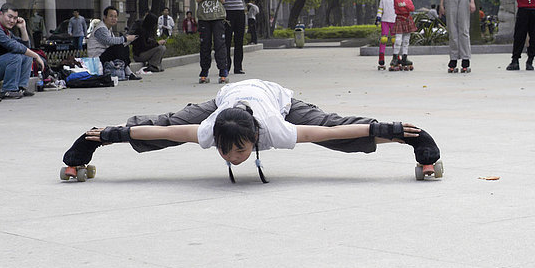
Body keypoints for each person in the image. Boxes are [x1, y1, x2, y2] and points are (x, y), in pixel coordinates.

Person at [61, 79, 442, 183]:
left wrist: (389, 130)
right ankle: (93, 140)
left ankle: (410, 140)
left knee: (337, 132)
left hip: (279, 100)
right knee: (167, 126)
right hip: (223, 102)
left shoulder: (275, 129)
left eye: (240, 152)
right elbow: (158, 134)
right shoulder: (212, 129)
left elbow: (327, 133)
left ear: (256, 140)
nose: (234, 159)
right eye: (227, 154)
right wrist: (111, 135)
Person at [0, 3, 45, 99]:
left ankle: (21, 88)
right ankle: (8, 90)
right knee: (15, 56)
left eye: (15, 18)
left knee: (27, 55)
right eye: (10, 17)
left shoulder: (7, 31)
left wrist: (23, 28)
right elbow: (15, 47)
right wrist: (36, 56)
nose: (12, 21)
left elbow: (25, 46)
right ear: (0, 14)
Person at [194, 0, 228, 84]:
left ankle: (223, 71)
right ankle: (204, 72)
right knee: (205, 45)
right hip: (204, 17)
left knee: (220, 44)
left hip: (218, 17)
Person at [86, 6, 140, 81]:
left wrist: (127, 40)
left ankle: (127, 71)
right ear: (104, 17)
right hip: (97, 59)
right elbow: (109, 41)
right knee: (120, 46)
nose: (113, 19)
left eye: (115, 16)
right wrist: (125, 38)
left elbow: (114, 42)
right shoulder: (101, 29)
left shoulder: (108, 29)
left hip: (104, 55)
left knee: (123, 46)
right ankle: (127, 72)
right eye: (111, 16)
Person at [224, 0, 246, 74]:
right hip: (228, 12)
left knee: (239, 40)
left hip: (240, 11)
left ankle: (238, 66)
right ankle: (226, 65)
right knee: (227, 40)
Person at [391, 0, 417, 71]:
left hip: (407, 21)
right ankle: (395, 58)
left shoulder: (408, 0)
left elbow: (412, 8)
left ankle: (405, 57)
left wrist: (404, 6)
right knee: (398, 40)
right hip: (399, 20)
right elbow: (397, 10)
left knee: (406, 40)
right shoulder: (395, 0)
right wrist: (405, 7)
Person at [375, 0, 398, 70]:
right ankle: (381, 59)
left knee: (394, 40)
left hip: (394, 21)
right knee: (383, 39)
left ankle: (396, 58)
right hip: (385, 21)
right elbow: (380, 9)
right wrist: (378, 18)